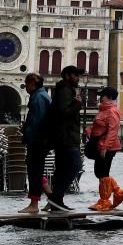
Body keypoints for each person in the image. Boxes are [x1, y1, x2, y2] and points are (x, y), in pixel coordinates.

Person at [45, 65, 85, 211]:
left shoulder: (65, 89)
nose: (78, 78)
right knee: (75, 166)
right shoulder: (65, 90)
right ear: (67, 75)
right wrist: (77, 103)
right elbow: (63, 112)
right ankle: (56, 197)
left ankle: (57, 202)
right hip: (66, 137)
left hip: (63, 136)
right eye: (75, 75)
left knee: (62, 169)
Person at [85, 87, 123, 211]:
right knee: (101, 172)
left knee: (102, 172)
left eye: (102, 95)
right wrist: (90, 130)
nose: (100, 97)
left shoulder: (111, 111)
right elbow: (100, 127)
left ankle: (105, 201)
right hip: (100, 145)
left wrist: (105, 147)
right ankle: (117, 192)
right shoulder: (104, 110)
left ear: (109, 97)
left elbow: (112, 131)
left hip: (107, 147)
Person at [19, 72, 50, 214]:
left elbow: (36, 122)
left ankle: (34, 204)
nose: (25, 87)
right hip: (41, 140)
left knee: (34, 172)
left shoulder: (38, 98)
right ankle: (52, 198)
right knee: (36, 170)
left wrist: (27, 137)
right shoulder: (42, 96)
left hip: (37, 140)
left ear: (32, 84)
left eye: (26, 84)